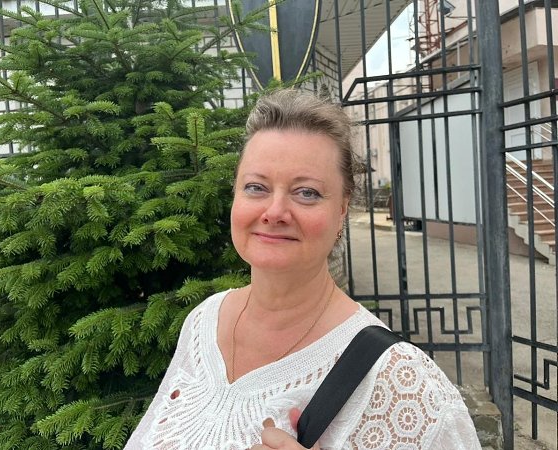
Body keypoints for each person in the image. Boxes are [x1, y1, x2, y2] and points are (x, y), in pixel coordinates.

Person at [124, 89, 481, 449]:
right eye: (256, 187)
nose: (275, 212)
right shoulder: (204, 322)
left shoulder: (401, 382)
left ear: (342, 209)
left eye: (307, 192)